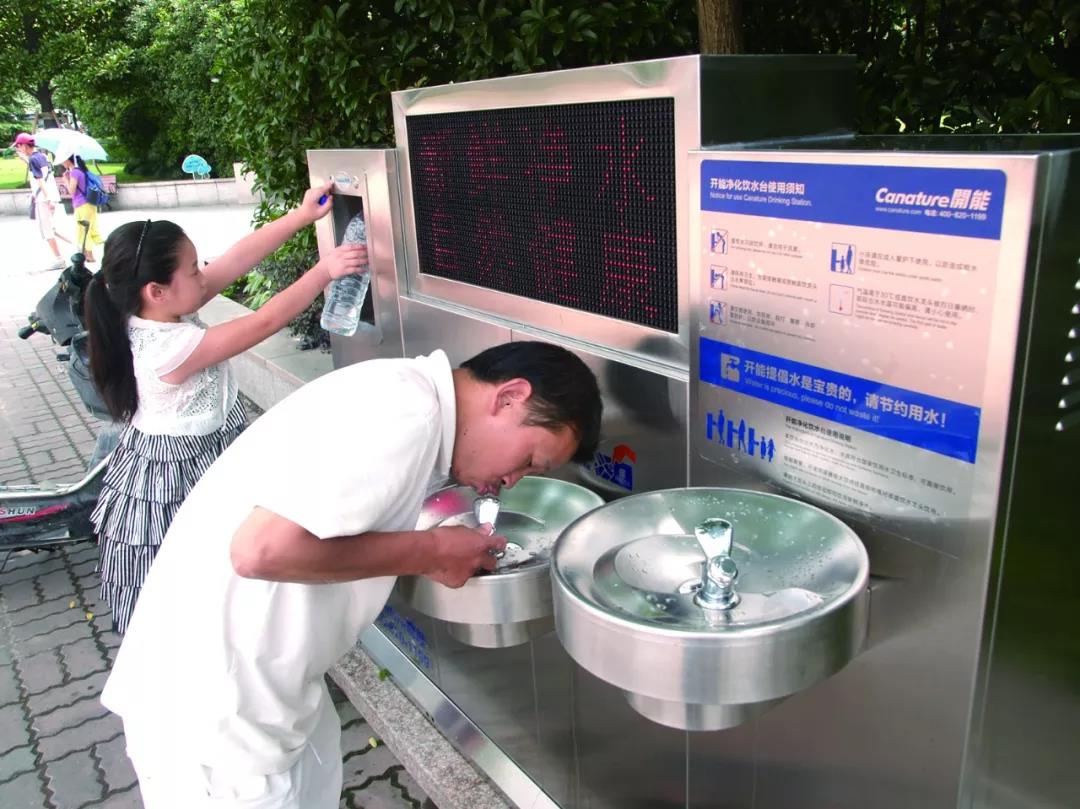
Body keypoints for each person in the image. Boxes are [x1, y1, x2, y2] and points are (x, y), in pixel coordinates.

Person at [100, 340, 602, 808]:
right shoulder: (408, 415)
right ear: (510, 397)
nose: (513, 480)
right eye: (529, 460)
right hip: (216, 723)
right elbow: (260, 551)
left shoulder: (403, 394)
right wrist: (430, 551)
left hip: (255, 697)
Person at [85, 184, 365, 634]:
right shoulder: (169, 347)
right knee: (199, 582)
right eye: (194, 269)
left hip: (199, 452)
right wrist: (325, 271)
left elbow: (235, 260)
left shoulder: (159, 309)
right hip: (177, 474)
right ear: (157, 290)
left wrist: (300, 216)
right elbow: (264, 321)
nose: (204, 275)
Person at [10, 132, 71, 269]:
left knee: (48, 230)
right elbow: (42, 172)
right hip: (52, 196)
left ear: (24, 146)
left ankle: (59, 258)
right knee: (54, 228)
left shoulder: (33, 159)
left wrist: (47, 199)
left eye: (19, 146)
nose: (18, 149)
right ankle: (77, 246)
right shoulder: (42, 156)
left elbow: (40, 180)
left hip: (44, 199)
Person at [59, 152, 104, 261]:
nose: (62, 163)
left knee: (84, 230)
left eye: (63, 160)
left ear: (68, 160)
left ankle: (89, 255)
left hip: (82, 205)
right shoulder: (82, 170)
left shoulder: (75, 172)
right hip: (89, 204)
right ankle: (97, 250)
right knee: (91, 228)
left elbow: (72, 191)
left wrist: (65, 180)